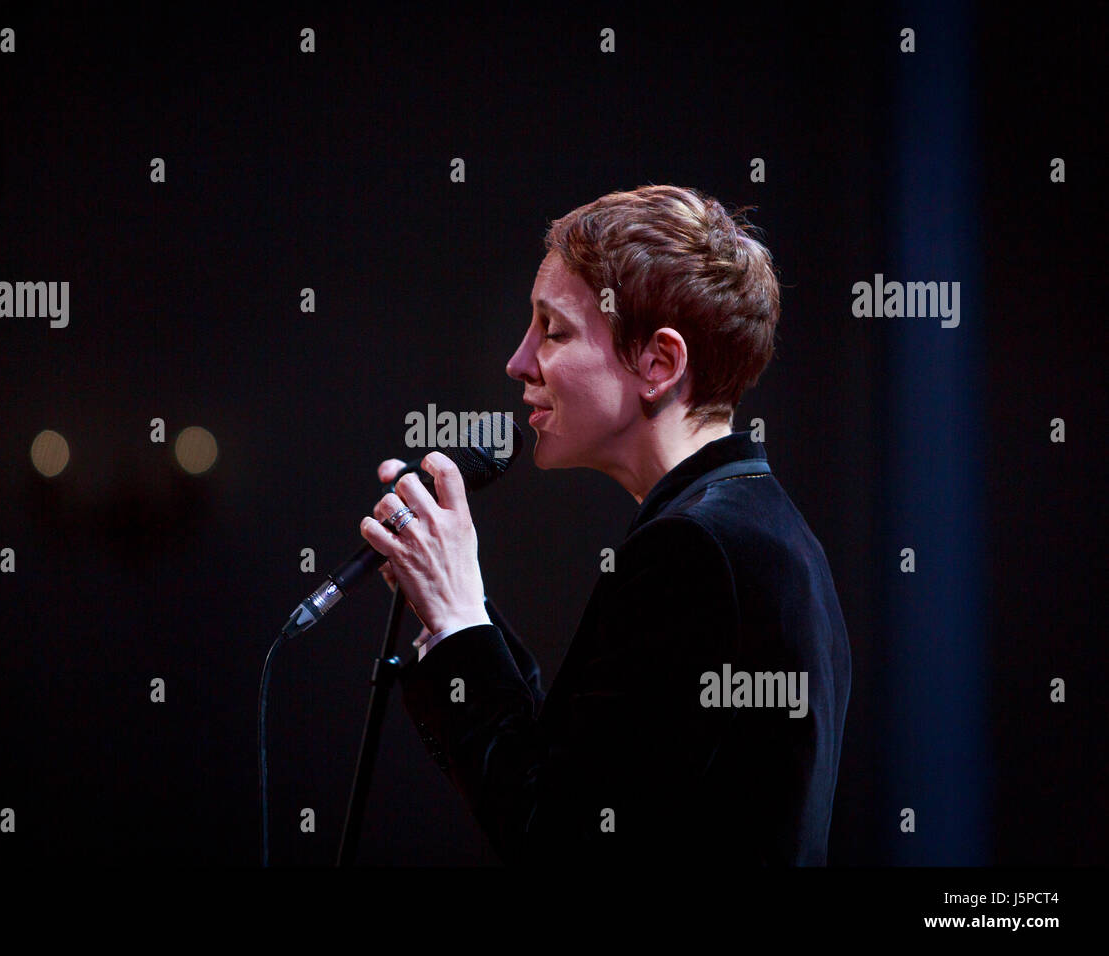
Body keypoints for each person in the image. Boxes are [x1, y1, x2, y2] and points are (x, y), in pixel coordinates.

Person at [358, 185, 851, 866]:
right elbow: (578, 780)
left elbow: (559, 843)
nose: (519, 362)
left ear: (658, 363)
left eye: (553, 330)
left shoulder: (697, 551)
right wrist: (454, 606)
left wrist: (458, 624)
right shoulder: (761, 530)